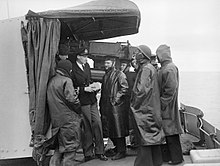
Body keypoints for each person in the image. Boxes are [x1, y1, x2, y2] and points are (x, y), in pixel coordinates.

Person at [130, 45, 164, 166]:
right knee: (153, 139)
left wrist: (133, 104)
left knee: (145, 139)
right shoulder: (151, 68)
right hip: (152, 108)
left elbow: (141, 90)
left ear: (143, 55)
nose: (135, 54)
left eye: (138, 52)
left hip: (144, 110)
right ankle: (156, 162)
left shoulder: (145, 69)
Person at [71, 48, 107, 162]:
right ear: (78, 56)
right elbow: (71, 87)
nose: (86, 58)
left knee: (97, 123)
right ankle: (88, 153)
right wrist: (83, 89)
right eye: (84, 56)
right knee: (87, 126)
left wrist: (94, 86)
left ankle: (100, 151)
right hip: (83, 101)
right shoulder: (72, 69)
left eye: (86, 56)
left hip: (91, 100)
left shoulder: (86, 67)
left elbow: (88, 80)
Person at [47, 60, 81, 166]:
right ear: (68, 69)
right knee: (70, 152)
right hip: (69, 121)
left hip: (56, 121)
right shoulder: (66, 80)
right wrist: (78, 107)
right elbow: (72, 99)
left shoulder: (51, 80)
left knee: (58, 150)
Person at [156, 44, 184, 165]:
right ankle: (168, 157)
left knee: (171, 133)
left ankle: (177, 159)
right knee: (168, 133)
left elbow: (170, 89)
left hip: (168, 107)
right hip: (167, 107)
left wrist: (161, 104)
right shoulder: (166, 67)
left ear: (161, 55)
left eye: (158, 55)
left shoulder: (169, 68)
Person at [99, 56, 129, 160]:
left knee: (118, 130)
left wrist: (115, 100)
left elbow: (124, 88)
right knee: (110, 129)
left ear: (113, 63)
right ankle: (118, 148)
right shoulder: (106, 75)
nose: (105, 65)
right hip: (107, 106)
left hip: (116, 107)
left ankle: (121, 151)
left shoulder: (119, 74)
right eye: (105, 63)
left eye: (108, 63)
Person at [119, 58, 138, 149]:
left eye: (123, 65)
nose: (121, 67)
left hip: (130, 101)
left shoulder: (130, 75)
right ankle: (133, 141)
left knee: (131, 122)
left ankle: (134, 142)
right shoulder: (130, 74)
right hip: (128, 101)